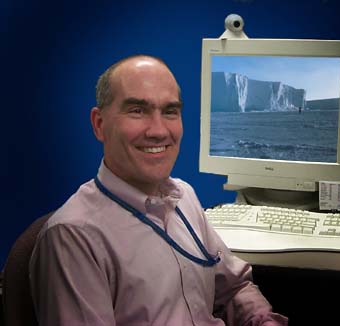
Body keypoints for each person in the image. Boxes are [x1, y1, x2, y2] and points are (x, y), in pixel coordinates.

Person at [29, 55, 288, 326]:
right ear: (99, 124)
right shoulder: (74, 237)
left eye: (169, 111)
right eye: (137, 110)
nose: (158, 131)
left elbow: (234, 288)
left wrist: (263, 322)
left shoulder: (184, 197)